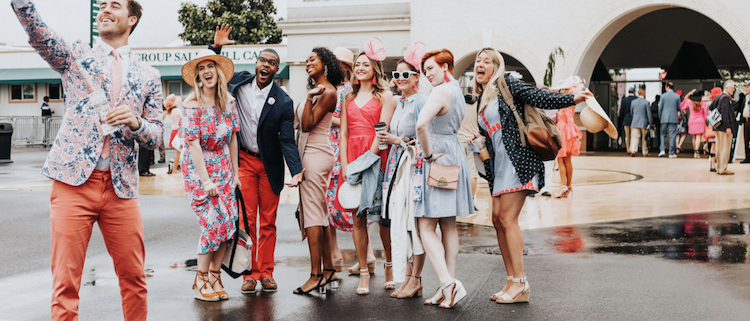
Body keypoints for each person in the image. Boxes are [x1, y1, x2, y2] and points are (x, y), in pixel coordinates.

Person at [12, 0, 162, 319]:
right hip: (73, 184)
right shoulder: (77, 55)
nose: (105, 9)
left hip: (121, 190)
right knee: (65, 283)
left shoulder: (149, 75)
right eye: (102, 5)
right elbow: (40, 35)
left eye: (115, 5)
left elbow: (157, 135)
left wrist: (136, 123)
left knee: (134, 278)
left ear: (131, 18)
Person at [471, 48, 588, 305]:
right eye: (477, 61)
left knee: (507, 219)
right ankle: (511, 280)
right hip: (498, 166)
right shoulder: (482, 97)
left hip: (518, 161)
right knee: (496, 219)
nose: (480, 64)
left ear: (496, 67)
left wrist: (571, 98)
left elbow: (538, 95)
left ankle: (521, 282)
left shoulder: (507, 83)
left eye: (486, 61)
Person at [210, 24, 305, 294]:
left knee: (268, 220)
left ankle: (266, 272)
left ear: (277, 70)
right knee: (247, 220)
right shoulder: (238, 83)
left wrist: (295, 171)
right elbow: (212, 74)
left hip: (270, 166)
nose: (266, 65)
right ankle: (249, 274)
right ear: (256, 63)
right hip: (243, 162)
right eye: (263, 60)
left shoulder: (283, 101)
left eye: (272, 63)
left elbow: (287, 139)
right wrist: (216, 47)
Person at [335, 37, 395, 295]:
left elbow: (382, 133)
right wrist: (346, 165)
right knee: (357, 217)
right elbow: (344, 135)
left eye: (365, 64)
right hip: (353, 159)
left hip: (376, 157)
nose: (360, 67)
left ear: (374, 69)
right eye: (357, 64)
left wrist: (365, 161)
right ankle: (363, 272)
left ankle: (390, 267)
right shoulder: (347, 98)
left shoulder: (385, 96)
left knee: (384, 219)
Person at [179, 50, 240, 302]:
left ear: (218, 71)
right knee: (212, 225)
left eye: (210, 66)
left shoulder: (229, 102)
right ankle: (200, 279)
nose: (206, 71)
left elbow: (233, 138)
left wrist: (236, 174)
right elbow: (193, 145)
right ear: (198, 76)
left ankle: (215, 276)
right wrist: (206, 181)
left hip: (224, 168)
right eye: (201, 68)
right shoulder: (191, 105)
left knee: (228, 225)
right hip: (199, 170)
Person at [415, 48, 474, 309]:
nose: (427, 74)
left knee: (426, 226)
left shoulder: (439, 92)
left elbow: (420, 125)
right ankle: (447, 286)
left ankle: (447, 283)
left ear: (445, 67)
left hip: (438, 157)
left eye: (431, 68)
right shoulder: (456, 90)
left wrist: (427, 155)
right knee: (448, 224)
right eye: (425, 70)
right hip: (453, 153)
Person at [377, 42, 428, 299]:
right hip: (397, 169)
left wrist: (397, 141)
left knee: (415, 225)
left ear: (416, 76)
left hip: (415, 170)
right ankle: (408, 278)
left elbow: (428, 138)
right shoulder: (400, 102)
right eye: (395, 75)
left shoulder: (421, 101)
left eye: (405, 74)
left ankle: (416, 279)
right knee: (401, 223)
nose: (399, 79)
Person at [293, 47, 344, 294]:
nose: (307, 63)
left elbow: (307, 124)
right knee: (319, 214)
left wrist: (311, 97)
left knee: (313, 214)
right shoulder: (320, 91)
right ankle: (329, 270)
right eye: (306, 60)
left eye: (312, 59)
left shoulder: (328, 92)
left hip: (315, 154)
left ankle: (315, 275)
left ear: (325, 63)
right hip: (311, 153)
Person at [327, 47, 377, 271]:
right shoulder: (337, 89)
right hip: (333, 147)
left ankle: (366, 254)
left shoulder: (347, 91)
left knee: (349, 201)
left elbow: (347, 122)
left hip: (343, 148)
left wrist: (328, 117)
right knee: (332, 203)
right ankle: (336, 250)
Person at [552, 76, 584, 197]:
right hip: (563, 130)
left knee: (563, 159)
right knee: (562, 159)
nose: (564, 91)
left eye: (566, 89)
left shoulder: (569, 102)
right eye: (563, 89)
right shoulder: (568, 101)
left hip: (566, 131)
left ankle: (564, 186)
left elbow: (569, 118)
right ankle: (567, 186)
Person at [458, 86, 480, 205]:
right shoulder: (478, 105)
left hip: (459, 141)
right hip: (473, 142)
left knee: (458, 171)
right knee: (472, 172)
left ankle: (460, 199)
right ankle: (471, 201)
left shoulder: (460, 104)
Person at [709, 80, 737, 175]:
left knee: (719, 148)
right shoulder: (725, 98)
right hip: (724, 128)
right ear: (726, 88)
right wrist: (727, 126)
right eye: (732, 88)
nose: (733, 90)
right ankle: (723, 169)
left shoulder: (718, 96)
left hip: (718, 127)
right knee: (725, 148)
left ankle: (719, 168)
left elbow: (711, 107)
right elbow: (725, 113)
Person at [680, 89, 708, 158]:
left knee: (694, 137)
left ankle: (695, 151)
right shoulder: (703, 103)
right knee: (698, 137)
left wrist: (689, 93)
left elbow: (682, 104)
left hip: (692, 121)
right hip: (700, 121)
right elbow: (706, 114)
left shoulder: (690, 102)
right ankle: (696, 151)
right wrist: (706, 122)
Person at [629, 85, 653, 157]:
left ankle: (633, 150)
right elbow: (649, 114)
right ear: (644, 93)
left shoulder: (633, 102)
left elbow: (631, 112)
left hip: (635, 122)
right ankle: (644, 152)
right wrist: (650, 123)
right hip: (644, 123)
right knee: (644, 138)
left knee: (634, 137)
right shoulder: (646, 103)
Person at [658, 82, 681, 158]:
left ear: (667, 87)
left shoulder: (663, 96)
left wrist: (660, 116)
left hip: (664, 117)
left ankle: (662, 150)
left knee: (663, 134)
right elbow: (679, 108)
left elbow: (660, 108)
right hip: (674, 117)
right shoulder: (677, 96)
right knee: (672, 135)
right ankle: (671, 152)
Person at [164, 94, 183, 174]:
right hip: (179, 131)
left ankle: (175, 168)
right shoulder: (177, 111)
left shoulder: (170, 112)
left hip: (174, 131)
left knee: (179, 152)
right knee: (179, 152)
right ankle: (175, 169)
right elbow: (184, 119)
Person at [619, 87, 636, 155]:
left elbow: (621, 111)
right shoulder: (636, 99)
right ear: (634, 92)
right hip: (634, 120)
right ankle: (632, 149)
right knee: (633, 135)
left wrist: (622, 118)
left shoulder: (624, 100)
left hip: (626, 120)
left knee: (627, 136)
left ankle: (628, 149)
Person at [741, 83, 750, 164]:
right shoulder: (746, 97)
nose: (746, 89)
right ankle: (747, 157)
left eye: (748, 87)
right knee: (746, 139)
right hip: (746, 120)